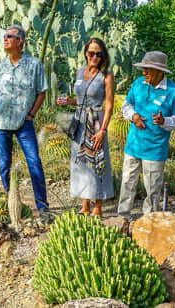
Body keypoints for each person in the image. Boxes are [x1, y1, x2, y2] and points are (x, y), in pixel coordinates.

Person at [0, 25, 49, 211]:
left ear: (19, 41)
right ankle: (11, 201)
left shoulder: (34, 65)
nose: (4, 39)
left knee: (34, 162)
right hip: (1, 123)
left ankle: (43, 205)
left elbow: (42, 92)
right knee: (5, 164)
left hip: (24, 123)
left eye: (9, 36)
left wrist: (31, 115)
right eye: (4, 36)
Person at [117, 51, 175, 219]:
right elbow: (126, 105)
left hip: (155, 149)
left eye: (148, 69)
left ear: (160, 71)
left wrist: (164, 121)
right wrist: (133, 116)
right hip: (133, 145)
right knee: (127, 183)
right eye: (143, 69)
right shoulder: (138, 84)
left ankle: (150, 221)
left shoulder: (173, 91)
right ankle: (123, 217)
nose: (144, 73)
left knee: (152, 189)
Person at [57, 37, 114, 217]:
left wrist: (103, 131)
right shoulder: (80, 72)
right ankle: (85, 204)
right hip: (79, 120)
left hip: (96, 120)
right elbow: (80, 99)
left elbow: (110, 105)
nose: (94, 57)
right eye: (91, 53)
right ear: (86, 54)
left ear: (103, 55)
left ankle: (98, 205)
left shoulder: (107, 76)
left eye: (98, 54)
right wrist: (68, 101)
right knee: (81, 162)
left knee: (97, 160)